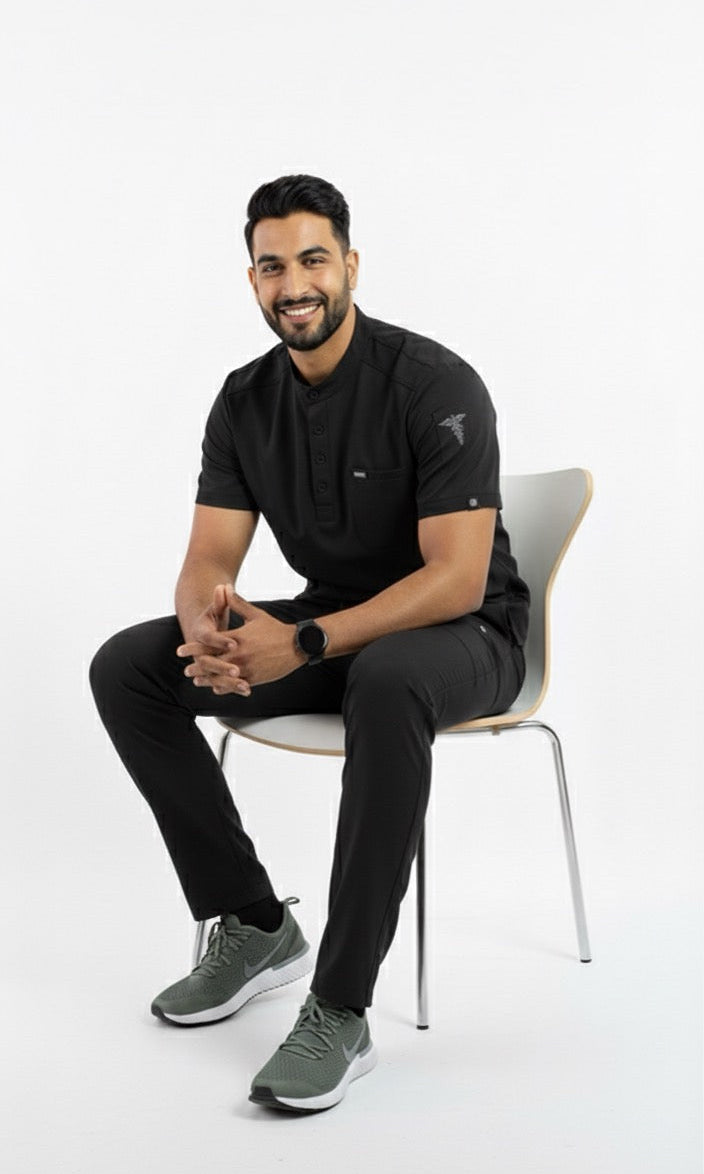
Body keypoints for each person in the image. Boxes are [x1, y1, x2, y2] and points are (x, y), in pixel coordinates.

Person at [90, 174, 530, 1115]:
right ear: (251, 280)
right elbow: (211, 552)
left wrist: (306, 640)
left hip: (467, 636)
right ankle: (252, 928)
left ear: (351, 266)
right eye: (271, 264)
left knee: (385, 681)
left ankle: (340, 1006)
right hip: (328, 629)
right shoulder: (243, 401)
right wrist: (210, 632)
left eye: (313, 259)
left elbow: (455, 577)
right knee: (132, 668)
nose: (294, 282)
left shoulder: (435, 383)